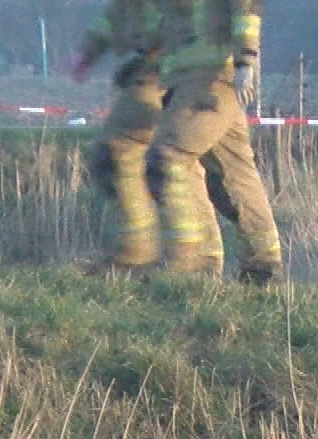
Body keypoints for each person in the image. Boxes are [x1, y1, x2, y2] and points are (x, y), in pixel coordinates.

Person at [72, 0, 225, 274]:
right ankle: (203, 259)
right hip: (182, 73)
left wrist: (91, 51)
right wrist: (90, 50)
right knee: (178, 162)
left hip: (166, 71)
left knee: (122, 151)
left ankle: (141, 253)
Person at [150, 0, 282, 283]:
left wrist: (245, 60)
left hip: (211, 79)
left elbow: (246, 7)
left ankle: (197, 263)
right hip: (190, 81)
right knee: (234, 173)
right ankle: (262, 265)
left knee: (168, 159)